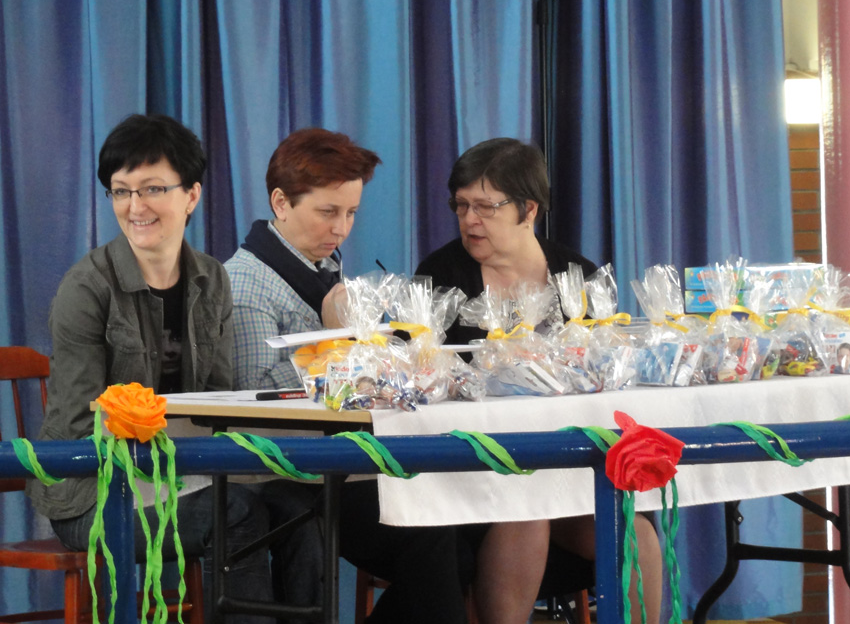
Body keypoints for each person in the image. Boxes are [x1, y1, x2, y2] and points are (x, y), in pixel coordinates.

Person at [26, 113, 273, 623]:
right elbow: (77, 424)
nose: (135, 207)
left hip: (180, 475)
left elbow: (220, 403)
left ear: (192, 195)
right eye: (121, 192)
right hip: (92, 494)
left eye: (153, 189)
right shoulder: (86, 288)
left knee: (300, 511)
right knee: (239, 514)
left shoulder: (212, 279)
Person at [225, 128, 470, 624]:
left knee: (465, 530)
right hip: (286, 470)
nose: (341, 228)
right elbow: (254, 396)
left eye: (351, 213)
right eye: (328, 212)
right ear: (281, 202)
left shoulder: (321, 266)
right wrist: (336, 341)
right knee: (435, 535)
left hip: (344, 458)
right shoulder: (247, 283)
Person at [416, 137, 662, 624]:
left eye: (485, 207)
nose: (469, 220)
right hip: (478, 468)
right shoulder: (440, 276)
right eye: (461, 205)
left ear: (528, 209)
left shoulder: (578, 276)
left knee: (635, 531)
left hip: (569, 465)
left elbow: (609, 376)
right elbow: (422, 382)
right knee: (526, 514)